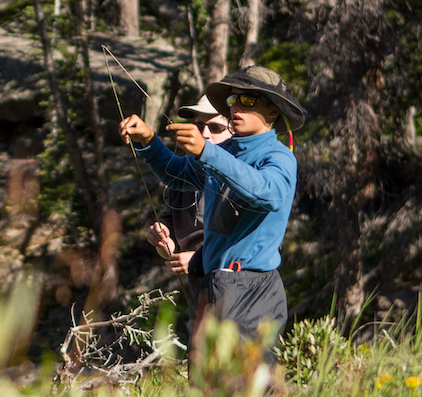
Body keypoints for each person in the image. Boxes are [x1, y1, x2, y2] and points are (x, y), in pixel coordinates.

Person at [119, 65, 306, 355]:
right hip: (212, 283)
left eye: (249, 100)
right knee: (206, 390)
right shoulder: (226, 151)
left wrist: (208, 152)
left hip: (252, 288)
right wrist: (148, 140)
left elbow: (268, 194)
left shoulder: (278, 157)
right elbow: (176, 173)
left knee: (244, 390)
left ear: (273, 111)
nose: (236, 107)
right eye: (233, 100)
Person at [147, 94, 232, 340]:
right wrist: (163, 240)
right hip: (199, 291)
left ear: (234, 131)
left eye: (215, 127)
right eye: (198, 126)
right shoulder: (184, 172)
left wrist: (197, 260)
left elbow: (247, 243)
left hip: (234, 290)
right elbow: (171, 238)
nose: (205, 134)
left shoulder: (240, 178)